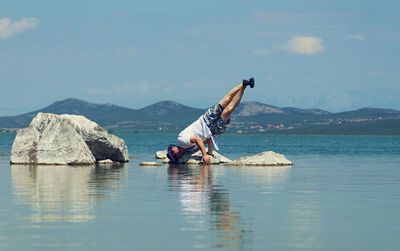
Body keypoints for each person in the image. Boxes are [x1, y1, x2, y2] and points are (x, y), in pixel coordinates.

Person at [167, 77, 255, 164]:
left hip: (205, 121)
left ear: (173, 147)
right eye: (174, 155)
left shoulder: (181, 140)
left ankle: (243, 83)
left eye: (172, 151)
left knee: (225, 101)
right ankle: (244, 86)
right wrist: (209, 153)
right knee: (229, 110)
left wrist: (204, 154)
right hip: (212, 132)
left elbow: (198, 140)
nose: (174, 153)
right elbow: (208, 138)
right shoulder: (190, 150)